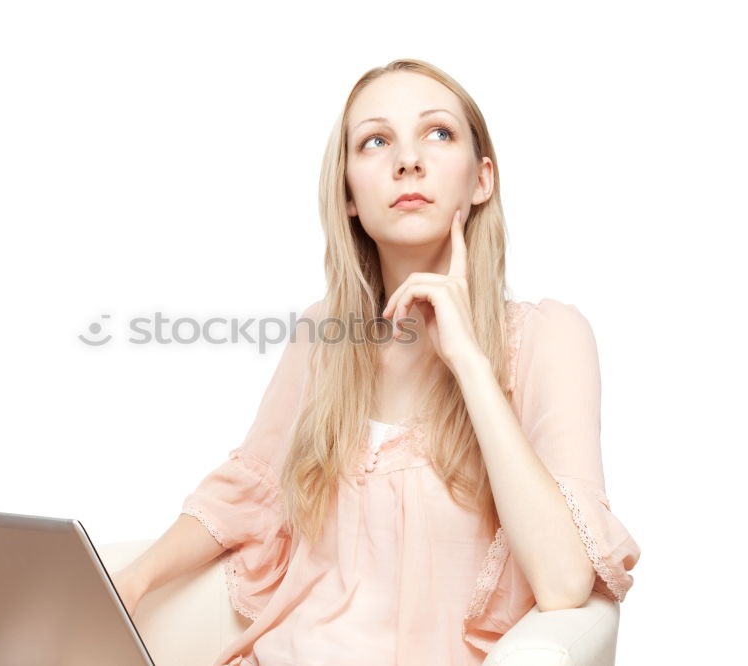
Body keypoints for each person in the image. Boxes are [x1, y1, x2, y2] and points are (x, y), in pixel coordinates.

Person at [111, 58, 641, 666]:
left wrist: (468, 361)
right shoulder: (322, 335)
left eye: (438, 133)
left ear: (481, 179)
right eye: (376, 141)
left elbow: (565, 582)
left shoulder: (550, 336)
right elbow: (249, 493)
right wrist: (132, 579)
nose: (408, 160)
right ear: (349, 195)